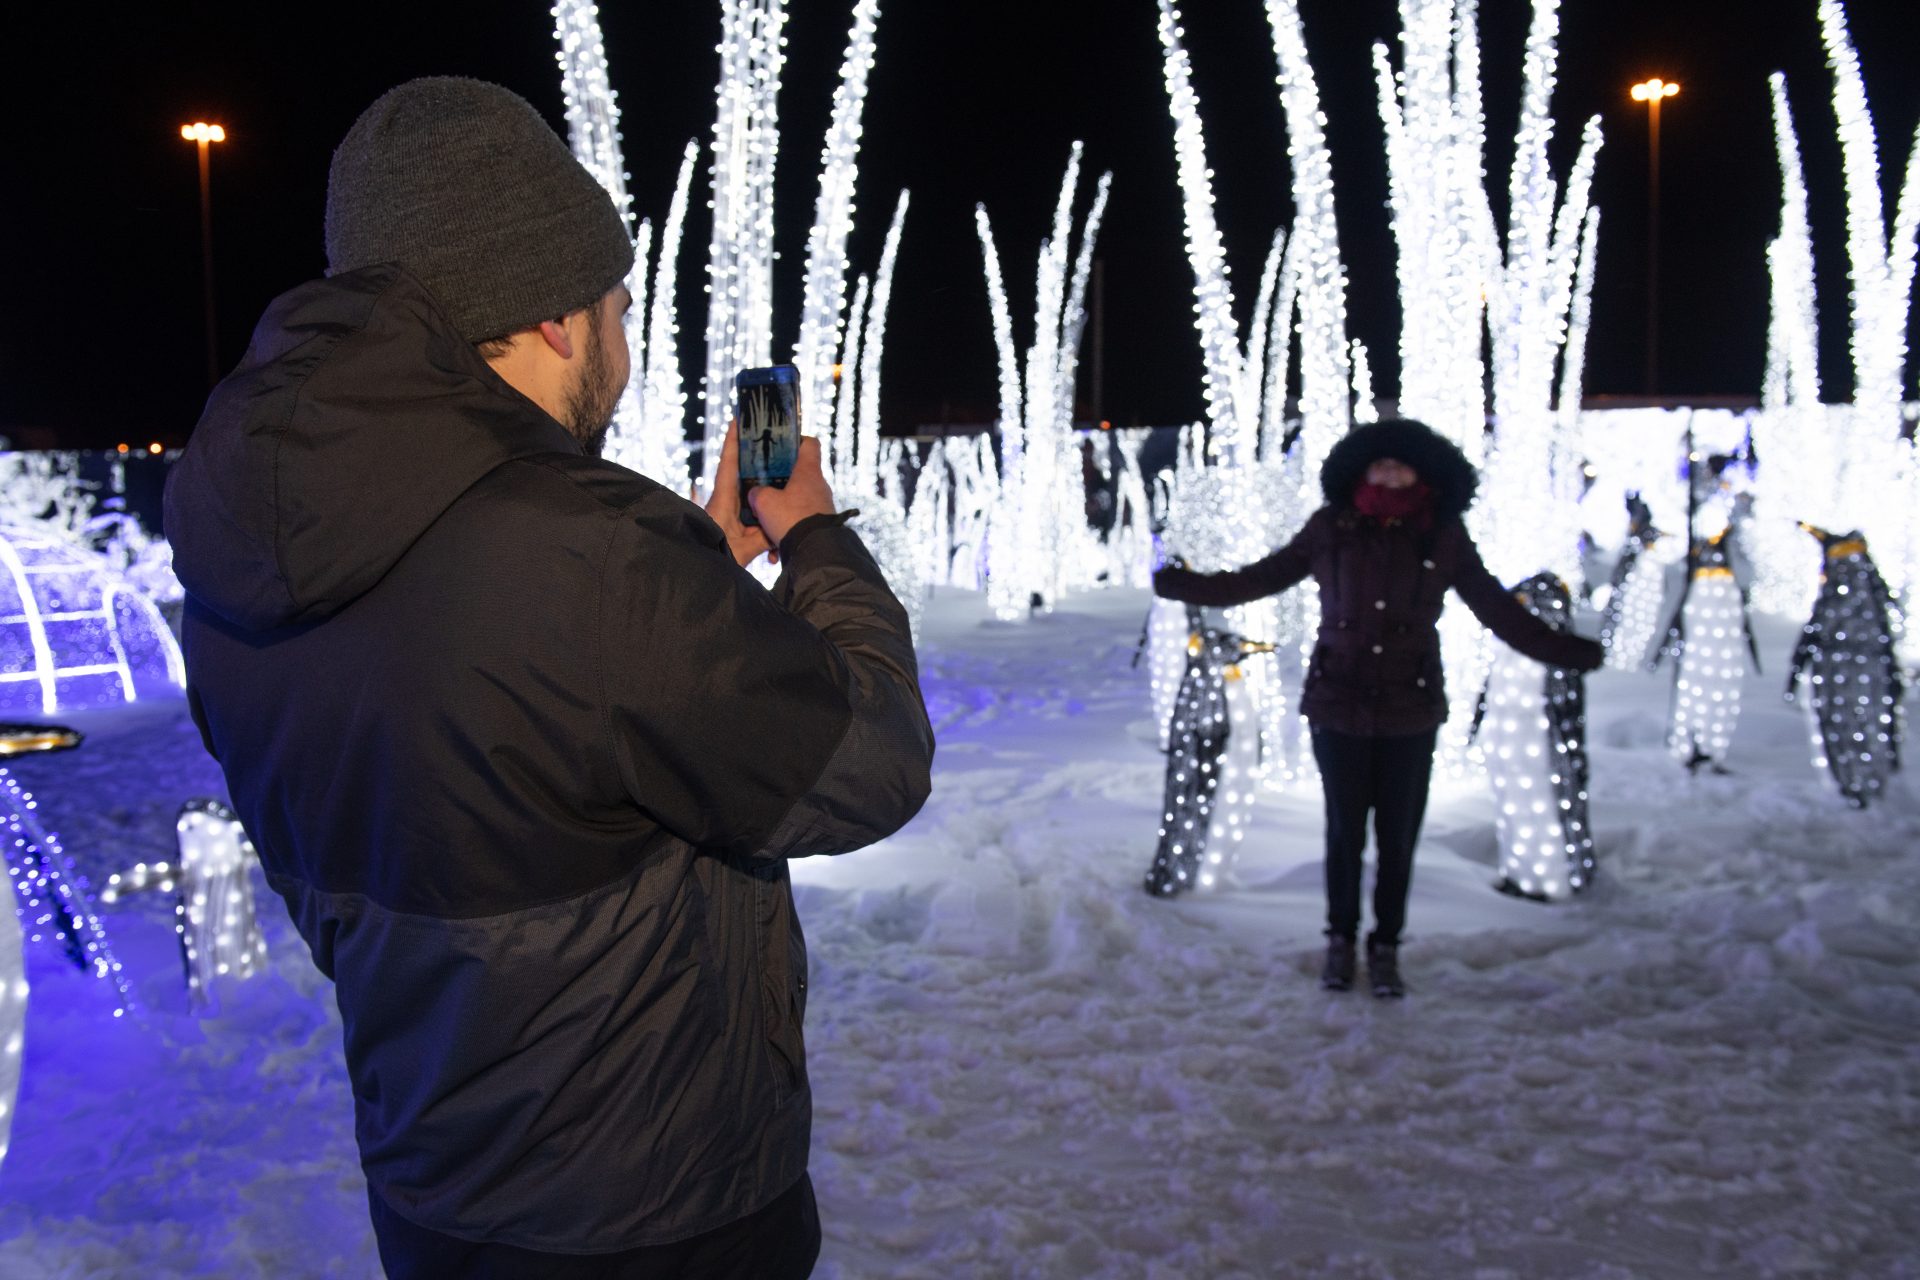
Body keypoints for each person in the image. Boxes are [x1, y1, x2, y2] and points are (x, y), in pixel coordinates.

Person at [163, 77, 933, 1279]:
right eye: (619, 305)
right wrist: (815, 536)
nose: (624, 342)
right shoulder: (591, 558)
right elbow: (873, 759)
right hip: (660, 1222)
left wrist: (689, 576)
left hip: (433, 1202)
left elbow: (467, 729)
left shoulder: (244, 546)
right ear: (559, 316)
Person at [1151, 419, 1602, 998]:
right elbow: (1260, 579)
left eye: (1401, 464)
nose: (1389, 472)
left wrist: (1565, 650)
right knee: (1343, 831)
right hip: (1337, 702)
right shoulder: (1331, 528)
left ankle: (1385, 945)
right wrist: (1185, 587)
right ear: (1359, 470)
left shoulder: (1442, 535)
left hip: (1409, 706)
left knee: (1398, 835)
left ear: (1424, 471)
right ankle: (1339, 939)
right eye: (1378, 463)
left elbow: (1495, 608)